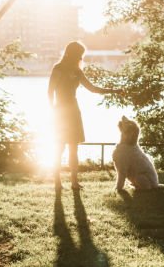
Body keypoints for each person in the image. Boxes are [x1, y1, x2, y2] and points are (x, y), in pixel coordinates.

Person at [47, 41, 118, 190]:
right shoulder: (58, 69)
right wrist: (52, 110)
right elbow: (50, 92)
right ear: (73, 53)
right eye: (79, 54)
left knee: (73, 148)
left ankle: (74, 182)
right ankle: (58, 183)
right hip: (61, 112)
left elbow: (92, 89)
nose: (81, 57)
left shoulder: (77, 71)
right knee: (59, 148)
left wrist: (113, 90)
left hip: (72, 111)